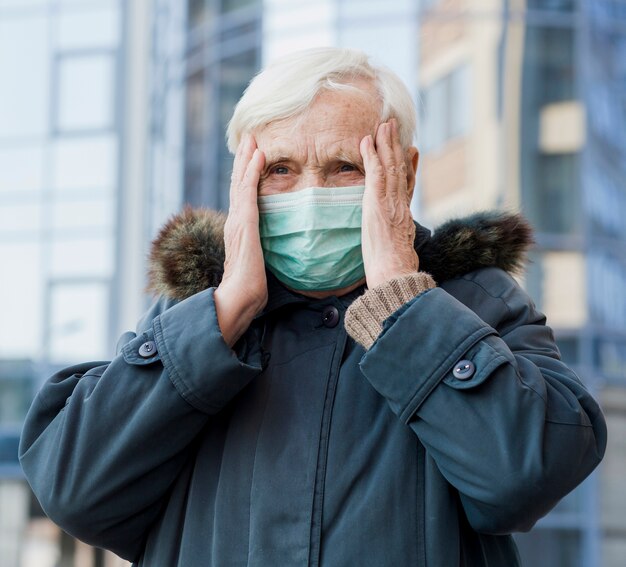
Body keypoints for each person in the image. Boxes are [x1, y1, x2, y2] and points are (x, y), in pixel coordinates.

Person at [20, 47, 606, 566]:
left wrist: (403, 304)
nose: (311, 195)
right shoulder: (192, 313)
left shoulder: (479, 302)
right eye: (279, 169)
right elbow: (77, 492)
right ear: (242, 181)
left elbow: (526, 476)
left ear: (403, 171)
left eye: (344, 167)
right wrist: (224, 314)